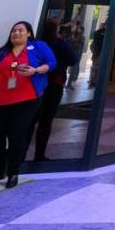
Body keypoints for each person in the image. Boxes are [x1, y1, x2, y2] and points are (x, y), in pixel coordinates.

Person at [0, 22, 57, 189]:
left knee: (17, 136)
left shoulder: (38, 47)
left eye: (20, 30)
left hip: (26, 101)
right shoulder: (1, 52)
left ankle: (13, 173)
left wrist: (35, 70)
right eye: (13, 30)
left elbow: (51, 64)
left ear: (29, 33)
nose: (16, 33)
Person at [29, 23, 79, 163]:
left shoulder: (36, 44)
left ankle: (21, 153)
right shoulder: (61, 44)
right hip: (53, 85)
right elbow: (73, 60)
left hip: (36, 85)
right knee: (46, 120)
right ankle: (39, 155)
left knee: (31, 119)